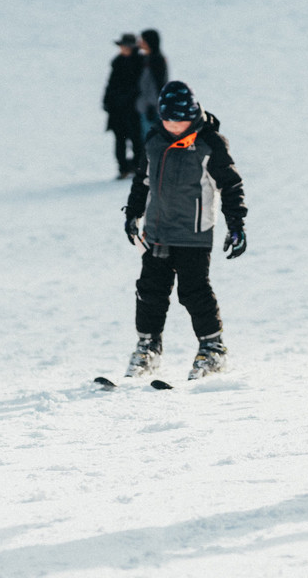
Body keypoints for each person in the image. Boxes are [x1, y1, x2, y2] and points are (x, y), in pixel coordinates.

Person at [121, 81, 247, 380]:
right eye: (168, 119)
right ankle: (147, 348)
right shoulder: (153, 139)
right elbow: (142, 180)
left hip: (194, 235)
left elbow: (231, 185)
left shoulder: (210, 143)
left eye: (180, 119)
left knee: (194, 292)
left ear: (192, 115)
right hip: (156, 233)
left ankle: (213, 350)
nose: (174, 125)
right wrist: (133, 213)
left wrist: (236, 225)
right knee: (150, 291)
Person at [103, 34, 144, 179]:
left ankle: (137, 167)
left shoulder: (140, 62)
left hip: (133, 110)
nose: (123, 49)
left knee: (136, 139)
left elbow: (139, 86)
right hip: (117, 110)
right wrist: (107, 102)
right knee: (120, 140)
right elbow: (111, 84)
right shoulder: (117, 62)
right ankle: (123, 168)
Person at [136, 28, 169, 139]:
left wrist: (152, 105)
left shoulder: (157, 60)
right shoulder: (146, 59)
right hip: (144, 107)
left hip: (151, 108)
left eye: (143, 41)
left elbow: (157, 85)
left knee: (150, 139)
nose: (140, 44)